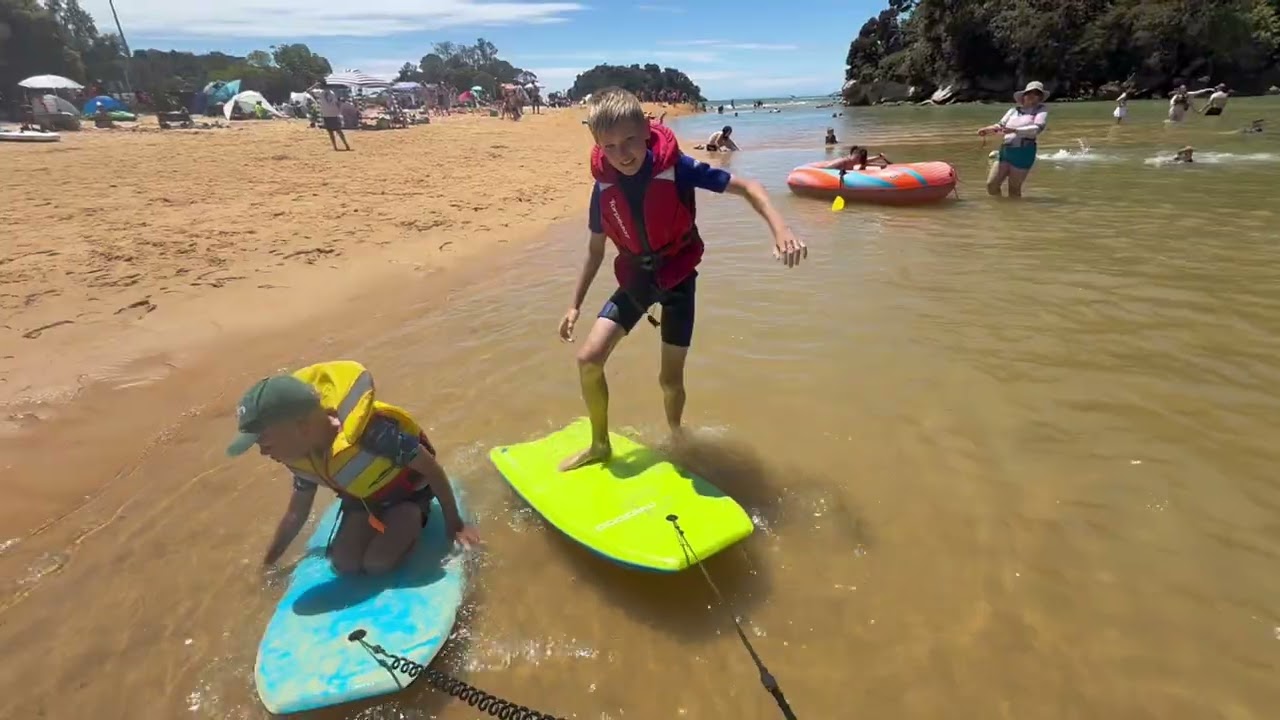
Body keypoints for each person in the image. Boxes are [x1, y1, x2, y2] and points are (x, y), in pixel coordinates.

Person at [557, 88, 806, 470]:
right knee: (588, 359)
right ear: (597, 147)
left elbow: (749, 187)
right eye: (609, 146)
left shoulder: (676, 168)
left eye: (629, 141)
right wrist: (574, 305)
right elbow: (595, 251)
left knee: (669, 381)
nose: (622, 154)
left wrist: (781, 229)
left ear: (646, 129)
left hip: (677, 279)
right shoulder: (603, 188)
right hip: (638, 279)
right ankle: (599, 444)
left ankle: (676, 435)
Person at [227, 361, 478, 574]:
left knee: (378, 563)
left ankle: (414, 517)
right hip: (364, 502)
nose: (263, 452)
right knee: (344, 563)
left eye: (265, 442)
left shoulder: (374, 434)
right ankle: (379, 521)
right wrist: (268, 564)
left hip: (408, 497)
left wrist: (454, 522)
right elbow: (296, 514)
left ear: (301, 427)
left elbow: (431, 468)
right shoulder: (301, 455)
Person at [979, 80, 1049, 198]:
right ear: (1024, 96)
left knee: (1014, 190)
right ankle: (999, 210)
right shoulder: (1013, 111)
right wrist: (987, 129)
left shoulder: (1041, 110)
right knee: (991, 185)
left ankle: (1013, 214)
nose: (1032, 96)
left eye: (1037, 93)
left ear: (1040, 98)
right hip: (1005, 151)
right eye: (1029, 93)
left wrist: (1015, 130)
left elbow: (1037, 128)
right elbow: (1000, 125)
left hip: (1023, 151)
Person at [311, 82, 351, 151]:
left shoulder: (319, 92)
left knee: (330, 132)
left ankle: (335, 146)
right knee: (339, 130)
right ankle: (346, 144)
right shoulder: (332, 93)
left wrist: (314, 85)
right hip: (334, 113)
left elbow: (308, 91)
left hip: (326, 113)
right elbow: (336, 102)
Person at [813, 146, 890, 171]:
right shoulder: (843, 161)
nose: (858, 160)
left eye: (859, 159)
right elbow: (826, 169)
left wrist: (879, 157)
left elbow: (866, 161)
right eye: (858, 158)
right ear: (854, 154)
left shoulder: (854, 161)